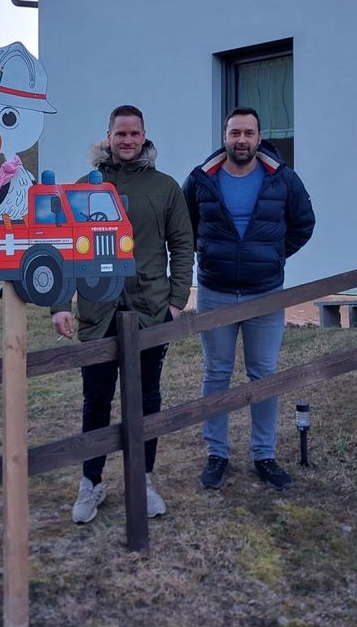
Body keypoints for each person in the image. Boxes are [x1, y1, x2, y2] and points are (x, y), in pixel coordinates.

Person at [53, 105, 194, 523]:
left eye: (134, 134)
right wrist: (61, 304)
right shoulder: (85, 189)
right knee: (96, 401)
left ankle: (143, 477)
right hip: (98, 313)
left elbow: (182, 245)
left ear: (145, 136)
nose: (127, 141)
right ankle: (91, 482)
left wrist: (175, 300)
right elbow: (61, 247)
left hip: (149, 311)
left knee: (146, 399)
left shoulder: (165, 188)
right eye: (120, 134)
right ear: (108, 136)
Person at [183, 107, 315, 492]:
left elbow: (303, 224)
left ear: (259, 137)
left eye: (248, 133)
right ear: (224, 136)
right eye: (234, 132)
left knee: (264, 375)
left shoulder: (282, 178)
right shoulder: (200, 180)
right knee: (217, 374)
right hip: (215, 291)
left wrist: (271, 255)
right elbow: (183, 227)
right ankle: (217, 453)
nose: (241, 139)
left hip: (265, 294)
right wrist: (208, 253)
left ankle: (264, 455)